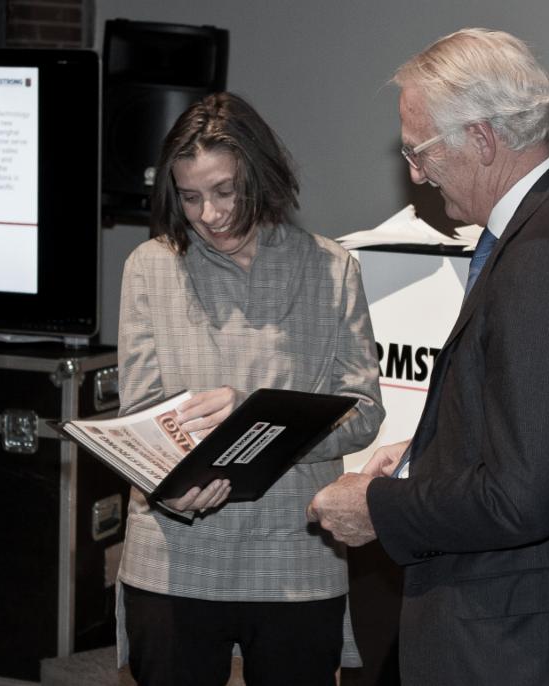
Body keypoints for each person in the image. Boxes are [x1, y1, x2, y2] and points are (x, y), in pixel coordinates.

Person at [309, 28, 549, 686]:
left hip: (510, 642)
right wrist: (416, 465)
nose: (414, 174)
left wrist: (378, 506)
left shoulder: (541, 254)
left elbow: (524, 498)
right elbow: (542, 433)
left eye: (419, 152)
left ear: (483, 139)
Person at [116, 92, 384, 686]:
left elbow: (364, 413)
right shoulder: (150, 268)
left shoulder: (331, 269)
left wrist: (257, 418)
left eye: (224, 191)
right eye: (189, 197)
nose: (208, 214)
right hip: (174, 559)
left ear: (261, 178)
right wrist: (164, 483)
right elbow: (137, 414)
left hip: (295, 556)